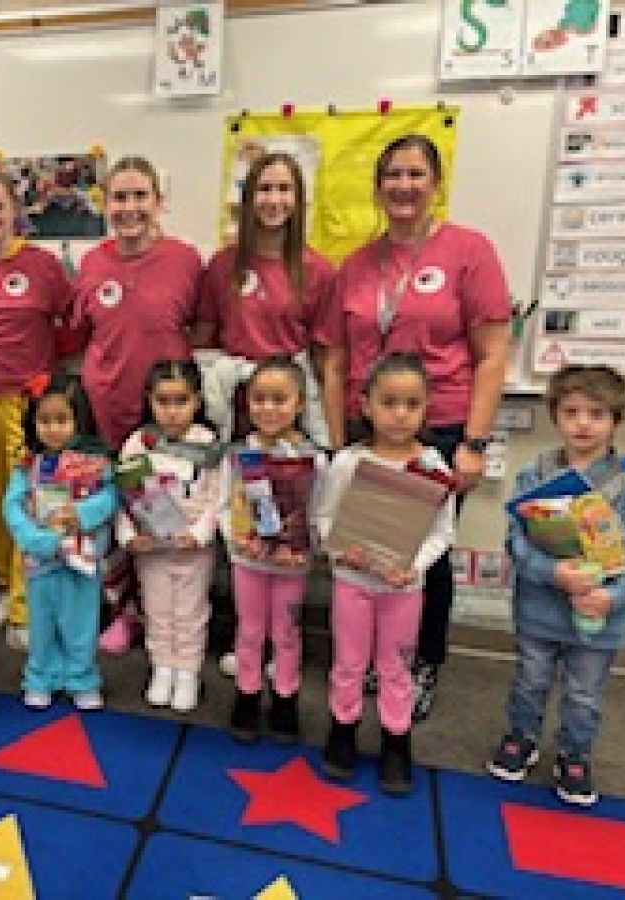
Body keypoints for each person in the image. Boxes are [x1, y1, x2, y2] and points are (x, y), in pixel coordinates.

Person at [325, 134, 511, 719]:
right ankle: (366, 661)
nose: (403, 187)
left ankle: (418, 663)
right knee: (364, 550)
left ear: (436, 184)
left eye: (415, 175)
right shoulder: (356, 263)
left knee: (421, 558)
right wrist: (339, 441)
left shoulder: (468, 251)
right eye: (393, 176)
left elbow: (493, 353)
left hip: (438, 427)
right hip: (368, 428)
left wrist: (474, 444)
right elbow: (333, 359)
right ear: (378, 188)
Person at [488, 365, 625, 806]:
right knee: (530, 679)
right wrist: (552, 573)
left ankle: (575, 754)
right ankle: (522, 737)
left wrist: (613, 596)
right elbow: (516, 539)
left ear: (616, 421)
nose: (583, 423)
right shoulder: (537, 472)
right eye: (571, 412)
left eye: (596, 413)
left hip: (601, 612)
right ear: (555, 417)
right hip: (541, 608)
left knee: (585, 692)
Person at [75, 156, 203, 654]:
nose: (129, 208)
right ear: (105, 205)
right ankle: (125, 611)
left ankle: (169, 617)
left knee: (167, 513)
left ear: (158, 201)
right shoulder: (92, 263)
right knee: (118, 516)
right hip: (108, 411)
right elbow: (87, 331)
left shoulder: (186, 259)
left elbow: (203, 329)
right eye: (119, 198)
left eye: (139, 197)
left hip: (166, 416)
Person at [315, 353, 455, 796]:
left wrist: (412, 567)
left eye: (411, 404)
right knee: (349, 662)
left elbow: (442, 533)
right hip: (353, 583)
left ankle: (397, 739)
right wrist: (341, 549)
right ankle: (343, 728)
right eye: (389, 402)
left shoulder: (433, 466)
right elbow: (324, 517)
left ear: (426, 408)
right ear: (366, 405)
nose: (399, 414)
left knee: (396, 666)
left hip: (403, 588)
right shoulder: (348, 463)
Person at [0, 170, 75, 645]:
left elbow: (71, 322)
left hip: (29, 402)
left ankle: (28, 608)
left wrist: (50, 381)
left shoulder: (44, 265)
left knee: (33, 500)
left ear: (14, 210)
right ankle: (7, 586)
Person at [195, 153, 339, 446]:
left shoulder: (318, 270)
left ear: (298, 199)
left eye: (284, 189)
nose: (274, 200)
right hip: (238, 402)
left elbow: (325, 359)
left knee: (289, 482)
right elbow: (203, 338)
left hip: (289, 402)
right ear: (248, 197)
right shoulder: (223, 265)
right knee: (238, 486)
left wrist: (334, 437)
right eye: (264, 189)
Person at [220, 356, 327, 743]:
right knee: (249, 629)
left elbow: (321, 512)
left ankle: (285, 697)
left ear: (300, 404)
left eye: (279, 399)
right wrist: (239, 540)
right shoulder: (237, 455)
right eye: (259, 398)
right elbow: (224, 505)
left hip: (291, 566)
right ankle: (247, 694)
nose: (268, 408)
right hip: (247, 561)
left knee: (287, 631)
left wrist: (309, 547)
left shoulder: (315, 458)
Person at [3, 372, 117, 711]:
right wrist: (34, 538)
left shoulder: (97, 464)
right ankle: (41, 676)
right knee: (42, 624)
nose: (53, 429)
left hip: (82, 559)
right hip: (41, 561)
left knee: (81, 624)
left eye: (62, 420)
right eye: (45, 420)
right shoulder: (29, 465)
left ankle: (81, 678)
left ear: (79, 420)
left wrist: (82, 513)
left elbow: (111, 497)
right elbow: (12, 506)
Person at [115, 360, 222, 714]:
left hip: (191, 549)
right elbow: (124, 496)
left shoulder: (208, 445)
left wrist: (200, 533)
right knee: (158, 610)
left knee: (190, 612)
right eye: (163, 401)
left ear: (197, 401)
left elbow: (217, 498)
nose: (172, 411)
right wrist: (129, 535)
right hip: (152, 549)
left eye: (181, 401)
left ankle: (188, 672)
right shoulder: (138, 443)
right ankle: (162, 666)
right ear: (149, 401)